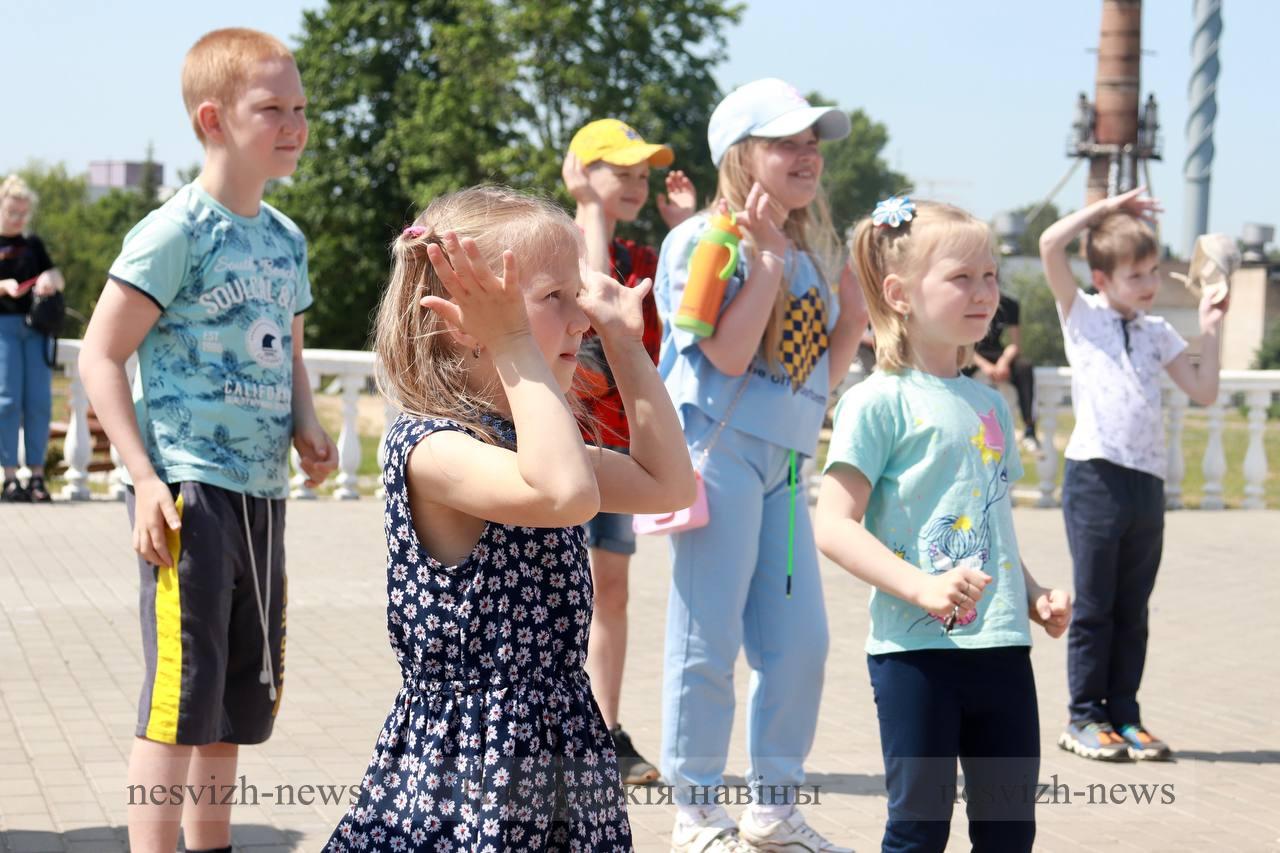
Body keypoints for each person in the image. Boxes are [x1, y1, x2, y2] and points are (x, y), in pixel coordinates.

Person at [325, 186, 695, 851]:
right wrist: (516, 341)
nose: (579, 315)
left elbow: (668, 482)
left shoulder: (530, 444)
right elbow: (565, 496)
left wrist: (626, 346)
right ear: (466, 319)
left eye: (578, 295)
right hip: (473, 767)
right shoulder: (433, 448)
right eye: (556, 296)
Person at [78, 29, 337, 853]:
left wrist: (306, 420)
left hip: (262, 491)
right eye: (273, 109)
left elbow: (289, 352)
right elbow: (99, 353)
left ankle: (211, 843)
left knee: (235, 694)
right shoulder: (176, 230)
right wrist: (143, 476)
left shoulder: (288, 240)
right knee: (179, 695)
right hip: (188, 487)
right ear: (213, 119)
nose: (293, 124)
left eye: (300, 108)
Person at [815, 197, 1071, 853]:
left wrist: (1035, 594)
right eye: (962, 277)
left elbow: (993, 525)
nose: (985, 292)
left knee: (1010, 830)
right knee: (919, 828)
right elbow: (834, 525)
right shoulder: (876, 402)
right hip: (915, 656)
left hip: (1005, 649)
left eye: (990, 276)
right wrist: (921, 587)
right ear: (899, 293)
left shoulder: (989, 402)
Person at [654, 78, 867, 853]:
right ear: (743, 156)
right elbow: (728, 352)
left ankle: (772, 807)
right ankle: (696, 810)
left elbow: (819, 377)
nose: (808, 155)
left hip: (783, 468)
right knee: (705, 639)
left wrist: (855, 309)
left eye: (813, 142)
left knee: (800, 642)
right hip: (717, 457)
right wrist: (768, 266)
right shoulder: (705, 242)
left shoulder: (803, 252)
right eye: (788, 142)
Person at [1039, 187, 1226, 762]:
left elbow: (1204, 391)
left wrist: (1211, 326)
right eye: (1135, 275)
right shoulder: (1081, 315)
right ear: (1101, 277)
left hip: (1147, 484)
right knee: (1095, 605)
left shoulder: (1157, 332)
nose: (1149, 285)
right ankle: (1084, 717)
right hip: (1095, 476)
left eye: (1152, 272)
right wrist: (1107, 209)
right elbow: (1050, 243)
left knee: (1132, 607)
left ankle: (1125, 714)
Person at [562, 117, 695, 786]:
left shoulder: (645, 260)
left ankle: (604, 730)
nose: (638, 185)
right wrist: (587, 209)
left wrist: (688, 230)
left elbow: (681, 320)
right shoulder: (555, 244)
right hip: (558, 445)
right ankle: (562, 728)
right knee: (557, 586)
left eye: (644, 175)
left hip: (619, 447)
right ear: (581, 172)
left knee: (611, 588)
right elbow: (586, 300)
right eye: (623, 172)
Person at [0, 174, 65, 503]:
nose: (18, 219)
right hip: (3, 328)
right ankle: (10, 476)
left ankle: (37, 476)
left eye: (23, 213)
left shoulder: (33, 243)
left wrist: (47, 281)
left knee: (39, 402)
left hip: (35, 328)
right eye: (13, 212)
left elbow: (57, 275)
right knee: (7, 401)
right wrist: (3, 286)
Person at [963, 290, 1040, 452]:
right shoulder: (967, 299)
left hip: (997, 353)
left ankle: (1030, 429)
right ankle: (960, 426)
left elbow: (1015, 344)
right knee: (955, 369)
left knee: (1024, 367)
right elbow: (962, 345)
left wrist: (1004, 361)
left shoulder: (1009, 304)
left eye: (990, 275)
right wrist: (985, 366)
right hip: (972, 352)